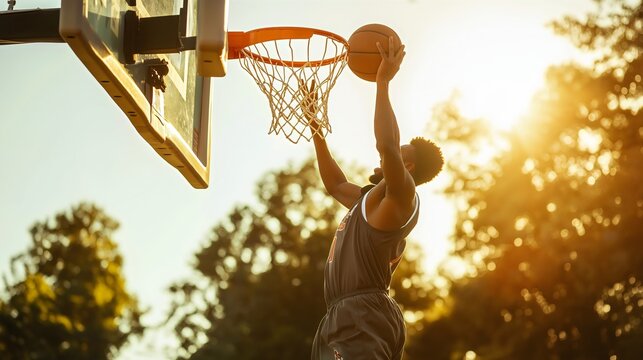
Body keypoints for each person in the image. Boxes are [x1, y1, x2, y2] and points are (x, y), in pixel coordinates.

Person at [305, 37, 444, 360]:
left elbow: (387, 145)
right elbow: (337, 185)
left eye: (396, 155)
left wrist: (382, 82)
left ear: (406, 166)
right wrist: (315, 127)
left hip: (360, 315)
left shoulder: (403, 196)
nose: (380, 159)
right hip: (348, 315)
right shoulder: (371, 199)